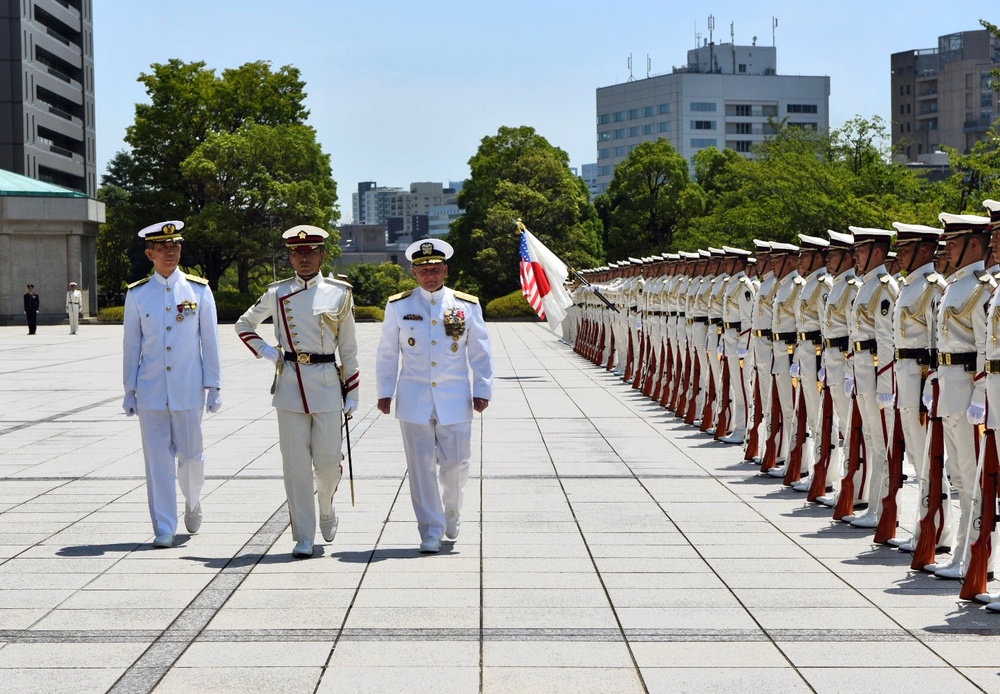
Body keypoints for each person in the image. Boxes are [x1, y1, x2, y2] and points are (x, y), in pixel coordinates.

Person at [235, 225, 359, 559]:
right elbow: (244, 325)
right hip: (290, 384)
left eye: (310, 252)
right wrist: (267, 351)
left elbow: (348, 348)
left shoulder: (339, 293)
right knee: (295, 466)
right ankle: (303, 535)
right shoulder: (277, 293)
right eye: (297, 253)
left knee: (329, 463)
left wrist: (353, 390)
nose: (303, 259)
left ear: (322, 255)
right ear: (289, 255)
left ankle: (327, 508)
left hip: (327, 383)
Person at [375, 238, 493, 554]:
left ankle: (452, 508)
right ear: (414, 272)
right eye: (424, 269)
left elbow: (480, 351)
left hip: (455, 398)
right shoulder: (399, 305)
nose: (430, 274)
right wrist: (385, 391)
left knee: (457, 464)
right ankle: (430, 529)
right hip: (413, 398)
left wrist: (482, 388)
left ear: (446, 270)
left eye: (436, 269)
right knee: (420, 466)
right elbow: (387, 352)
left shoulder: (465, 305)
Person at [122, 220, 222, 548]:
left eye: (176, 246)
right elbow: (132, 346)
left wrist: (214, 385)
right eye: (163, 248)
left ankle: (193, 499)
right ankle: (164, 526)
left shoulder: (198, 289)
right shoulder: (138, 294)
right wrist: (130, 390)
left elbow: (210, 340)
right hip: (151, 391)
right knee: (158, 463)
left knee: (192, 457)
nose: (171, 252)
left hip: (188, 389)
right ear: (150, 253)